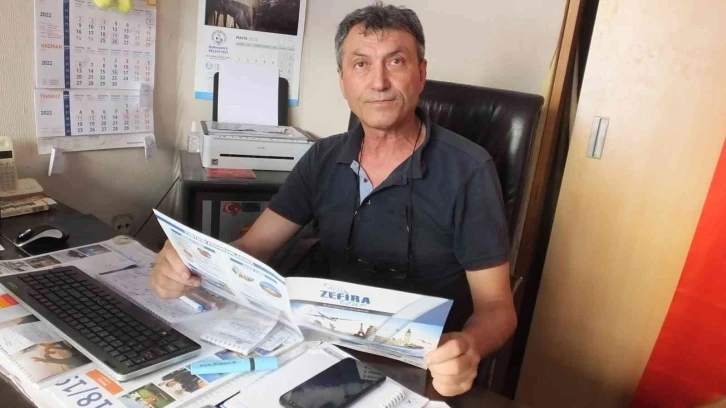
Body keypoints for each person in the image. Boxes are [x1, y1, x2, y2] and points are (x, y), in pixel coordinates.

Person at [151, 1, 516, 397]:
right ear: (343, 80)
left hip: (420, 368)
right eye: (361, 64)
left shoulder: (469, 170)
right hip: (323, 352)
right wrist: (191, 263)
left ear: (421, 73)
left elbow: (498, 308)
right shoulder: (323, 157)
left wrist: (468, 346)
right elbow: (254, 246)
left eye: (396, 62)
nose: (379, 82)